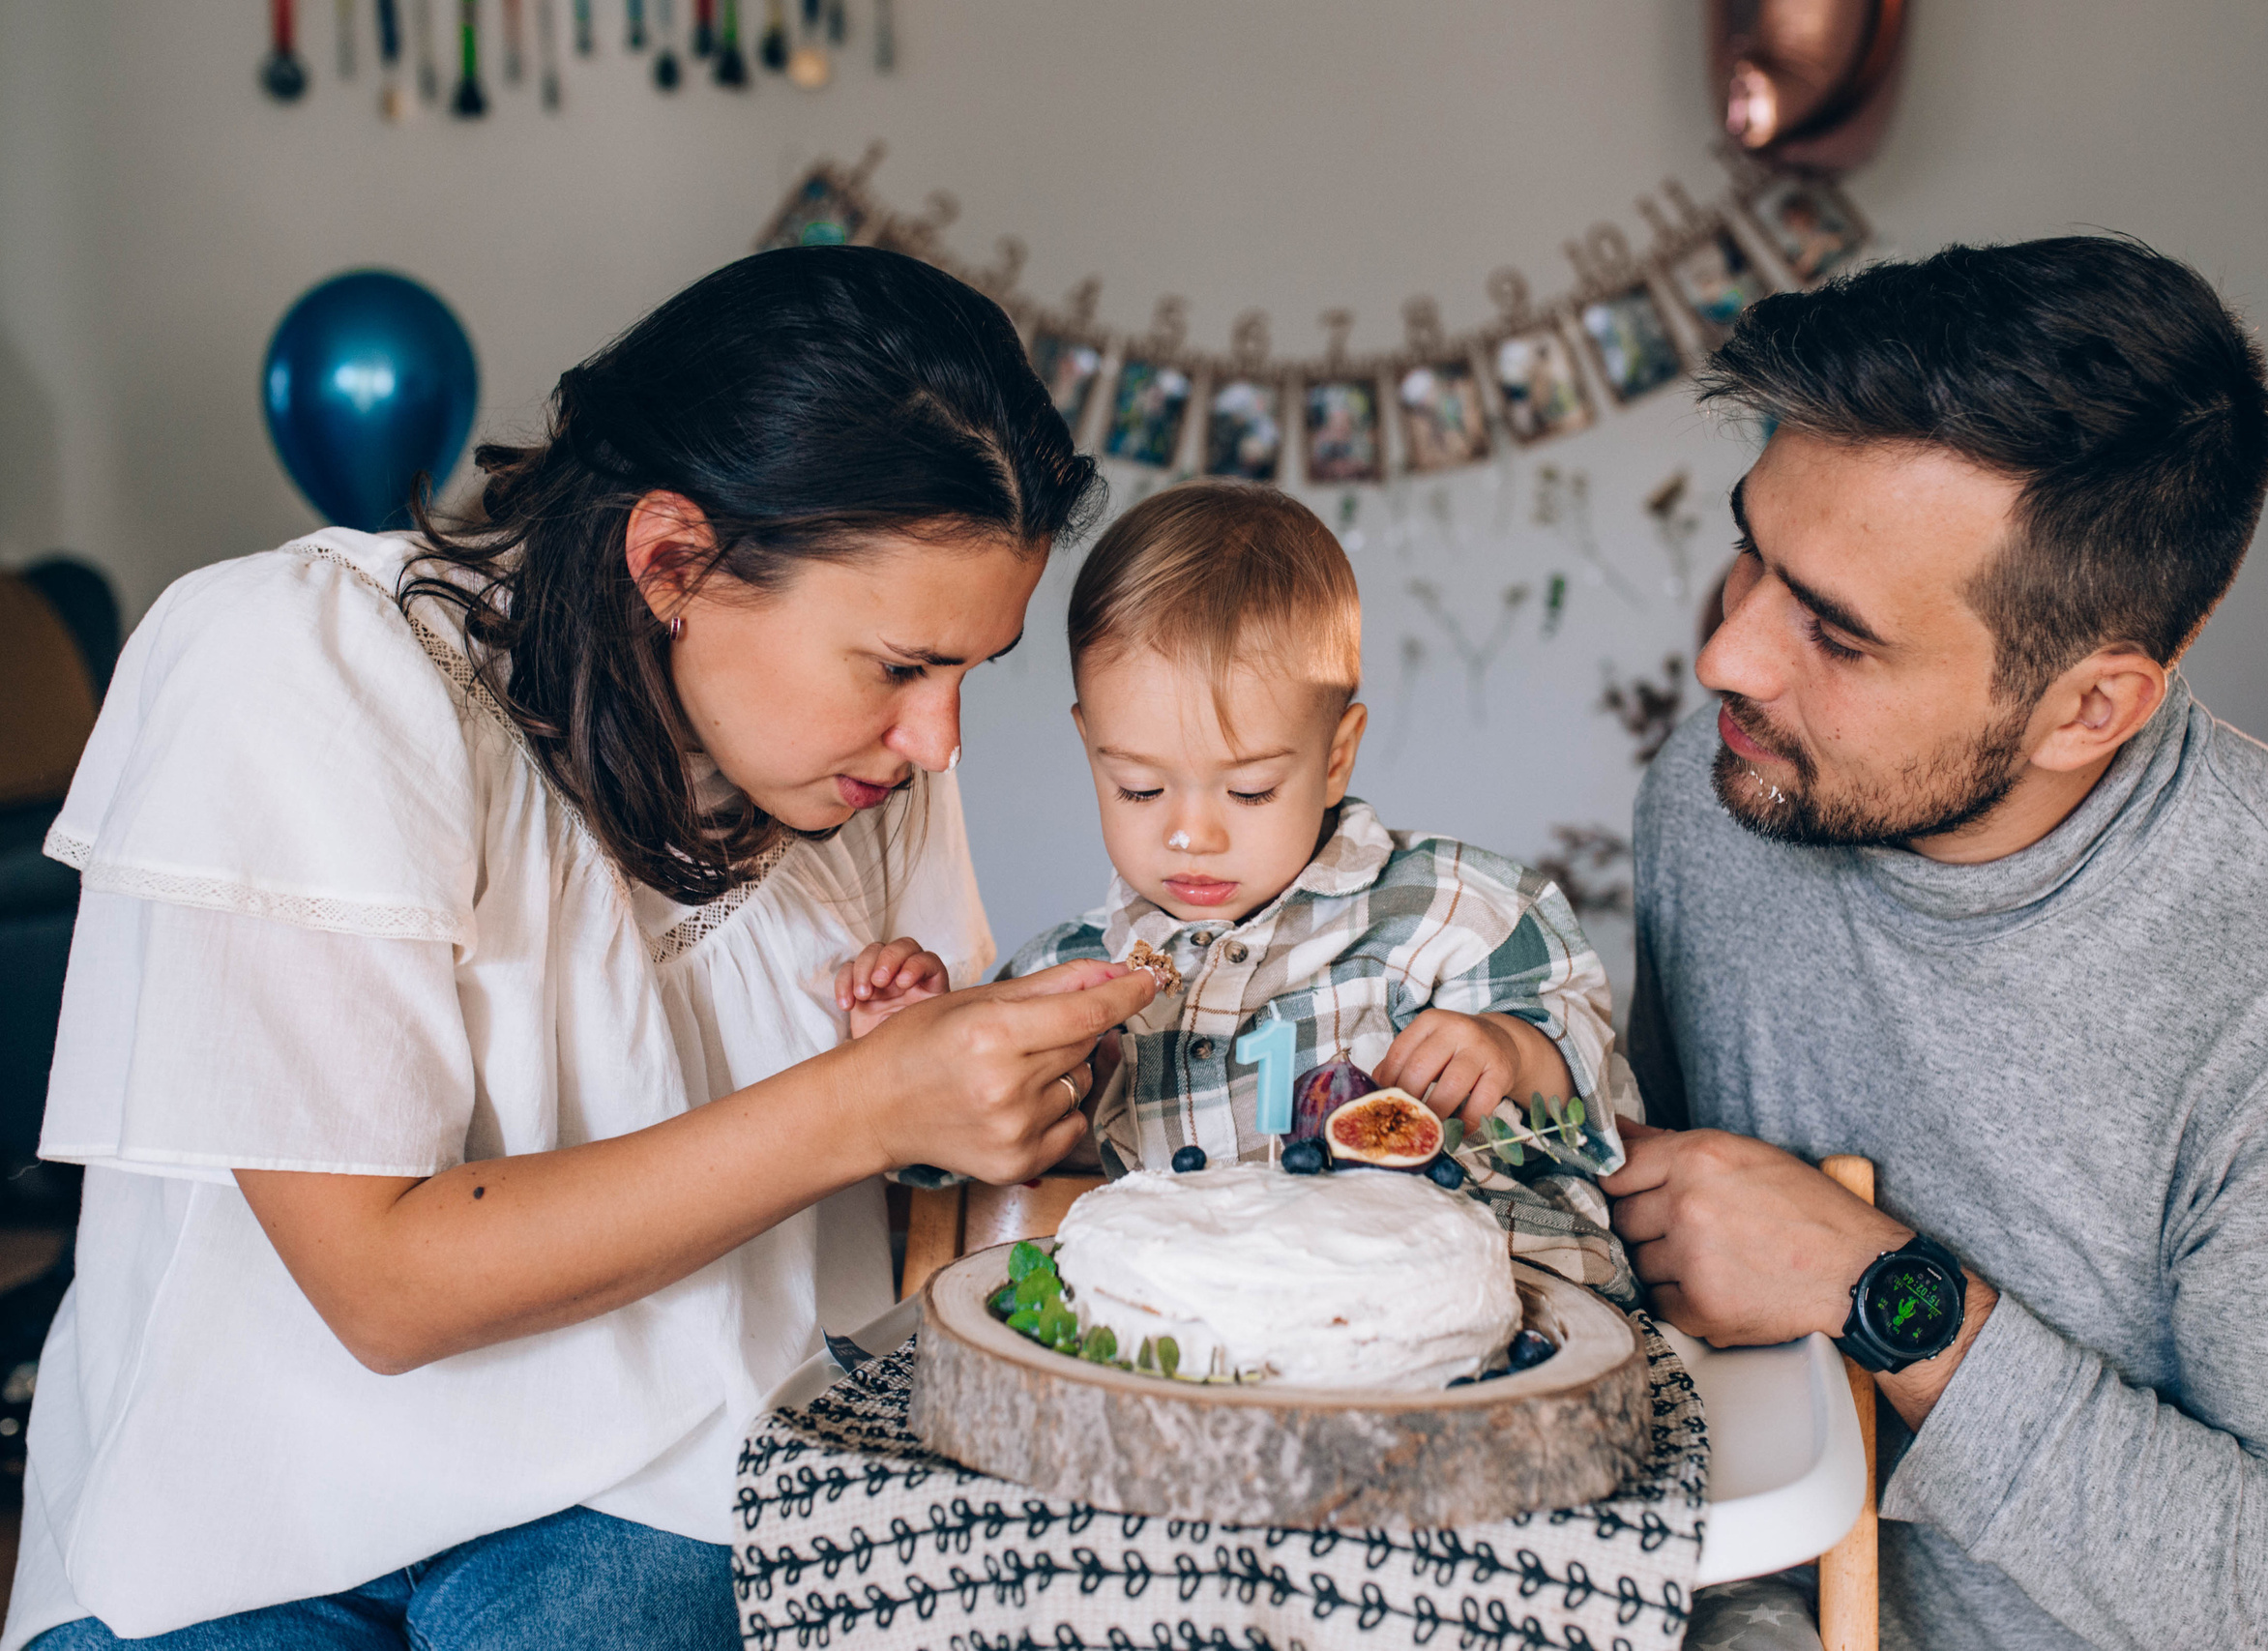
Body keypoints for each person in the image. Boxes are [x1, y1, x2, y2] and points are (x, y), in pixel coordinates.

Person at [8, 246, 1158, 1649]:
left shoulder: (864, 768)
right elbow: (383, 1287)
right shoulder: (302, 666)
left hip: (672, 1481)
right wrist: (865, 1105)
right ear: (674, 557)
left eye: (974, 668)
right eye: (904, 666)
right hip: (252, 1524)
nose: (941, 739)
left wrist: (1014, 1123)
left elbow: (937, 1213)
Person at [1612, 236, 2268, 1649]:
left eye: (1834, 631)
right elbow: (1673, 1285)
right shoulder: (1728, 789)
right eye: (1749, 556)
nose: (1728, 657)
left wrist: (1884, 1290)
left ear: (2091, 707)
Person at [869, 481, 1644, 1297]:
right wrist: (902, 1050)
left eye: (1248, 793)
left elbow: (1599, 1097)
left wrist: (1514, 1055)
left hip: (1495, 1324)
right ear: (1089, 745)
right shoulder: (1068, 974)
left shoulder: (1459, 908)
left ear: (1337, 755)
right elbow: (954, 1142)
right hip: (1222, 1353)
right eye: (1138, 787)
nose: (1191, 834)